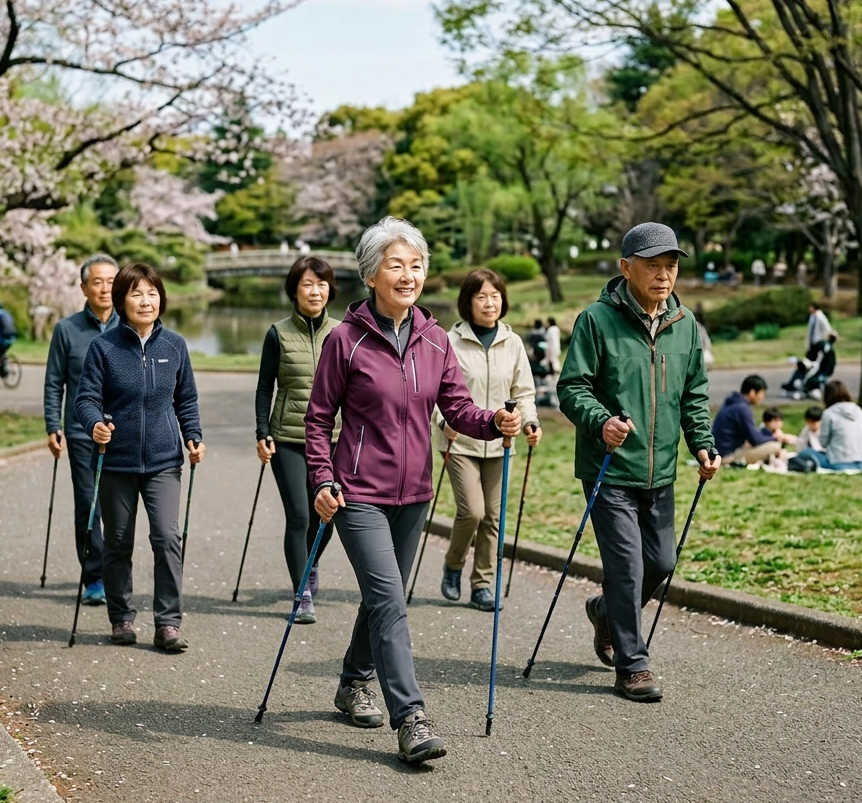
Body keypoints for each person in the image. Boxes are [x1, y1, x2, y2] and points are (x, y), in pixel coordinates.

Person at [306, 217, 522, 763]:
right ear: (372, 273)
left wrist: (493, 420)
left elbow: (457, 409)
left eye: (416, 265)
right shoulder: (344, 340)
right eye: (396, 265)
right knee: (389, 599)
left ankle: (352, 681)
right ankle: (411, 718)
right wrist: (323, 478)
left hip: (415, 494)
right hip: (358, 493)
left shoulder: (433, 339)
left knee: (386, 598)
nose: (408, 274)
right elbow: (317, 420)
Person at [558, 222, 720, 703]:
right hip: (609, 469)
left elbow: (693, 395)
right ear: (626, 267)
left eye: (671, 265)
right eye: (653, 265)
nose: (664, 275)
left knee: (661, 562)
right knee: (626, 566)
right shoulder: (595, 320)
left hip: (661, 470)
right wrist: (602, 420)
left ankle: (605, 611)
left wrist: (703, 444)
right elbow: (572, 388)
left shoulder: (685, 325)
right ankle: (633, 665)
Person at [75, 262, 205, 652]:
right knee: (117, 542)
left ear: (161, 298)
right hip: (116, 462)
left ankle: (168, 623)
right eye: (136, 293)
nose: (145, 301)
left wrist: (193, 435)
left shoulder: (175, 346)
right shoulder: (104, 348)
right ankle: (122, 618)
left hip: (164, 461)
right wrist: (95, 424)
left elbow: (187, 399)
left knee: (167, 538)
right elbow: (85, 399)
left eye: (152, 293)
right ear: (122, 300)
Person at [435, 268, 541, 611]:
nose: (489, 303)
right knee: (472, 512)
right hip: (460, 441)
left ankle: (481, 584)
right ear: (468, 302)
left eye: (495, 296)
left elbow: (523, 392)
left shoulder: (513, 343)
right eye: (481, 297)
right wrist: (443, 420)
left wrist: (530, 422)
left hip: (500, 443)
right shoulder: (448, 342)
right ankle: (453, 565)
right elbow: (437, 394)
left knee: (494, 516)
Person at [254, 255, 340, 623]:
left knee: (329, 518)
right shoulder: (277, 333)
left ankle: (311, 563)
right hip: (288, 437)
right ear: (294, 291)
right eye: (307, 284)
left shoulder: (343, 333)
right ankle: (301, 591)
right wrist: (262, 432)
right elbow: (264, 387)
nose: (315, 291)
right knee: (300, 516)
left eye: (321, 284)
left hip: (334, 439)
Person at [43, 253, 120, 606]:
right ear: (83, 288)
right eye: (98, 282)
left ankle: (117, 573)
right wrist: (52, 425)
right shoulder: (66, 329)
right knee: (89, 503)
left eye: (111, 281)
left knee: (119, 507)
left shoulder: (131, 325)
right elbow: (54, 382)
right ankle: (94, 577)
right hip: (79, 430)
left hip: (123, 431)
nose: (105, 289)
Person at [791, 381, 862, 472]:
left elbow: (823, 443)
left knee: (805, 452)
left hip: (839, 462)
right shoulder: (858, 410)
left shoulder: (829, 413)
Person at [712, 376, 782, 465]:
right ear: (752, 392)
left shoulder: (732, 403)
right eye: (762, 394)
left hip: (718, 452)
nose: (762, 397)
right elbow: (755, 439)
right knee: (776, 446)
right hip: (726, 456)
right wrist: (776, 437)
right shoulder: (742, 408)